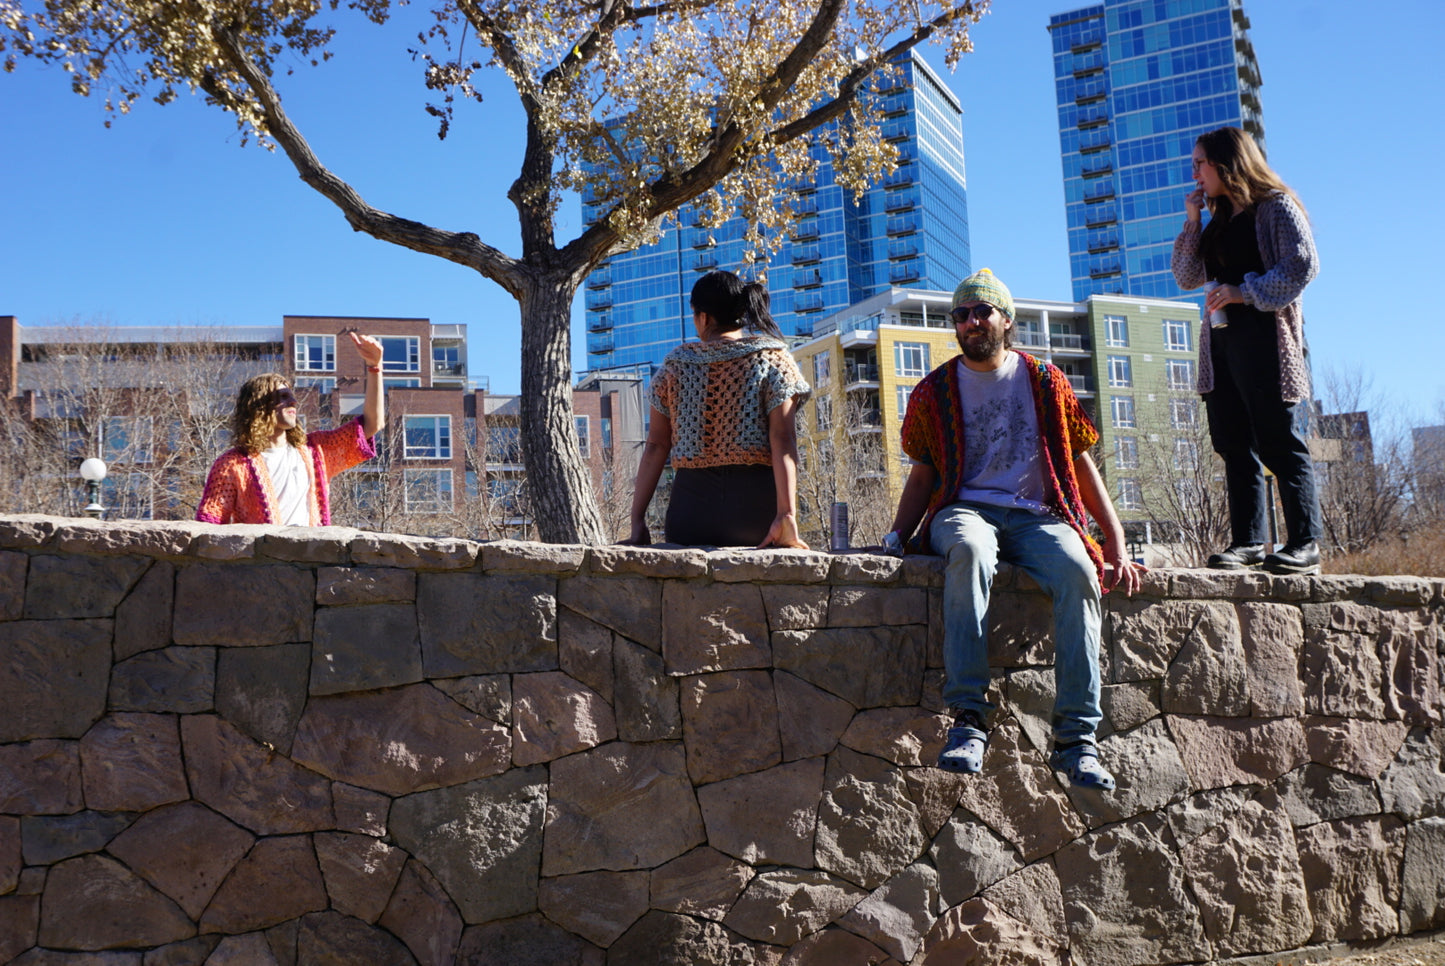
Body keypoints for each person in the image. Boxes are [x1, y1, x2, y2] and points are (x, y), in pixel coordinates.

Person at [881, 268, 1141, 789]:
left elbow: (1079, 459)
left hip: (1037, 516)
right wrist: (895, 539)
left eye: (982, 312)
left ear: (1006, 319)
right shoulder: (934, 391)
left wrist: (1114, 541)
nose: (972, 322)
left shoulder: (1046, 382)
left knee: (1076, 569)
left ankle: (1076, 741)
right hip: (963, 509)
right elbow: (924, 472)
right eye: (961, 315)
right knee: (972, 551)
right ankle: (969, 721)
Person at [1172, 126, 1323, 575]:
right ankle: (1249, 543)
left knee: (1280, 442)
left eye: (1200, 162)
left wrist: (1245, 292)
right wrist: (1193, 221)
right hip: (1220, 346)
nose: (1194, 172)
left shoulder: (1273, 208)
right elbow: (1185, 276)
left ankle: (1305, 543)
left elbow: (1303, 264)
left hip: (1266, 341)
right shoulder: (1217, 221)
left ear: (1225, 162)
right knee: (1233, 444)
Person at [622, 270, 811, 548]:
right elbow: (782, 440)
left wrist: (637, 520)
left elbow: (655, 446)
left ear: (704, 317)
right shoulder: (774, 361)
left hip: (691, 514)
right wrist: (786, 514)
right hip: (755, 515)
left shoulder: (675, 368)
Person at [197, 330, 385, 525]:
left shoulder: (316, 451)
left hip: (313, 553)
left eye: (292, 395)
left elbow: (374, 424)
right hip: (262, 555)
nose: (294, 401)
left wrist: (374, 367)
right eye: (284, 397)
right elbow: (210, 522)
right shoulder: (232, 464)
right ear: (260, 406)